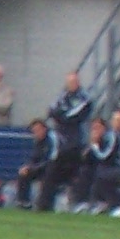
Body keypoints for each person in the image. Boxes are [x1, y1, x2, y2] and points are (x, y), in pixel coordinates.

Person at [41, 71, 94, 211]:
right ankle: (44, 206)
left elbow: (74, 116)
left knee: (79, 173)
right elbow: (51, 111)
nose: (72, 85)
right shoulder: (62, 96)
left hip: (78, 144)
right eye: (69, 82)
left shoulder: (85, 98)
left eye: (74, 82)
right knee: (51, 171)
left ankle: (79, 204)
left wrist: (61, 115)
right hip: (61, 144)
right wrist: (61, 115)